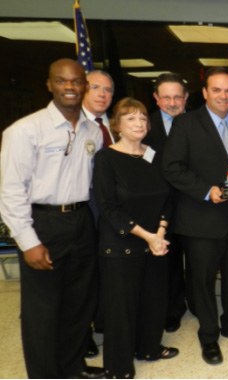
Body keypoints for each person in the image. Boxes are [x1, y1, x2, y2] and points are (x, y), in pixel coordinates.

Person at [0, 58, 104, 379]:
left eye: (76, 81)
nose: (70, 87)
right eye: (62, 81)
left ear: (84, 85)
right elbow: (11, 190)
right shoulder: (24, 130)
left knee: (78, 302)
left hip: (81, 220)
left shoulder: (94, 131)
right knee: (42, 309)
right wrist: (28, 241)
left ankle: (72, 367)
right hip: (42, 223)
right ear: (49, 85)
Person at [162, 67, 228, 365]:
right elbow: (172, 167)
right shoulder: (186, 124)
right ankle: (209, 335)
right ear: (205, 93)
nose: (223, 95)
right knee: (201, 282)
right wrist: (208, 190)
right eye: (216, 90)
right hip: (201, 219)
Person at [93, 97, 179, 379]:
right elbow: (107, 206)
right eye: (131, 118)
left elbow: (167, 198)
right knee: (122, 308)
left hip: (155, 241)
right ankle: (118, 367)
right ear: (117, 125)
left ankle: (149, 348)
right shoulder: (106, 158)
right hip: (122, 244)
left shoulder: (153, 155)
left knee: (153, 300)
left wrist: (161, 233)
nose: (139, 123)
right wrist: (147, 236)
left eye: (143, 117)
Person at [143, 72, 190, 333]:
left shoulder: (199, 122)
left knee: (196, 261)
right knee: (167, 262)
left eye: (177, 97)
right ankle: (172, 309)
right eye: (166, 97)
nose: (172, 103)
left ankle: (196, 303)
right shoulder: (144, 125)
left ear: (185, 98)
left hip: (194, 204)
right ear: (156, 99)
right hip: (160, 207)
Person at [82, 69, 115, 358]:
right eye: (95, 87)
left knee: (106, 268)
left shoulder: (112, 124)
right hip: (85, 206)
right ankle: (84, 334)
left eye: (107, 89)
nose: (102, 94)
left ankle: (103, 321)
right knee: (85, 273)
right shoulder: (76, 124)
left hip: (113, 208)